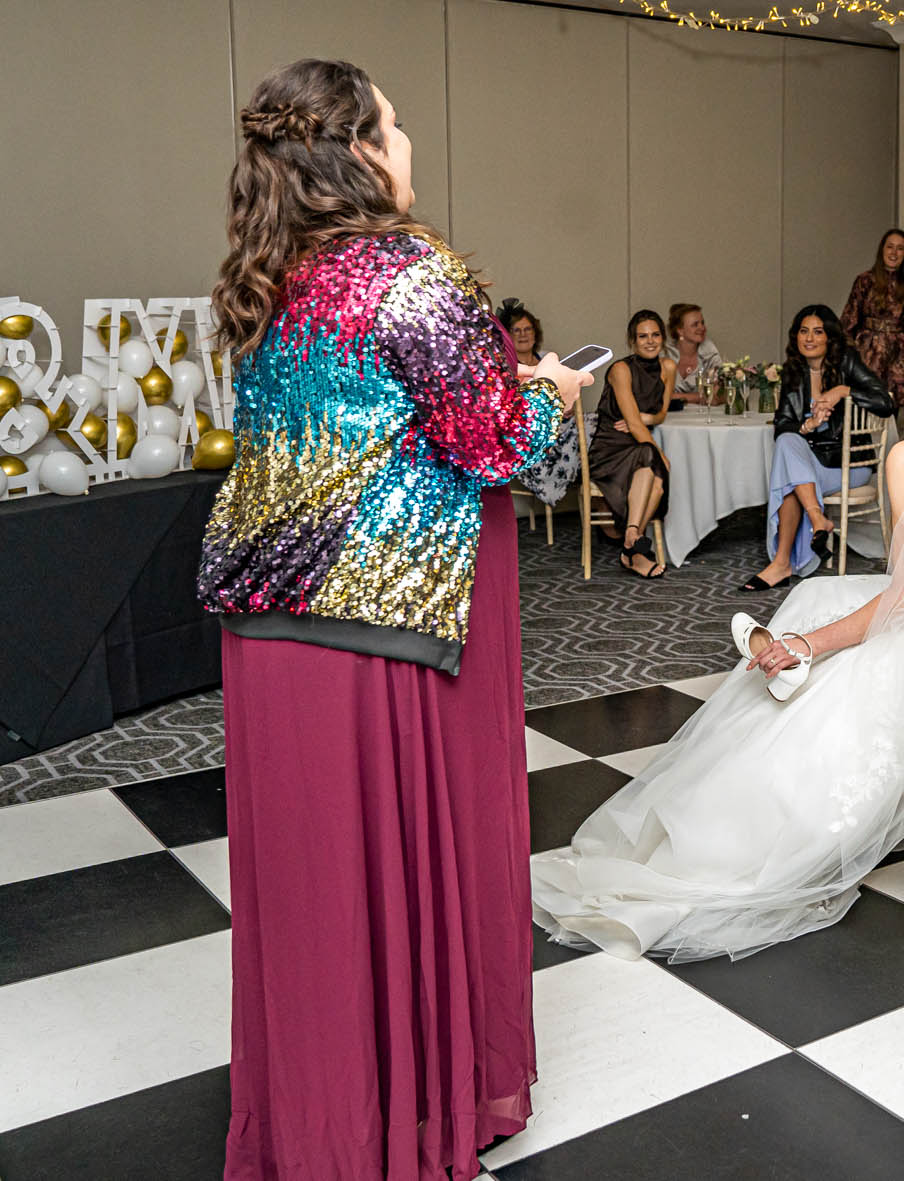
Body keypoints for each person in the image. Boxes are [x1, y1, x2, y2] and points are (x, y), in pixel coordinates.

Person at [197, 59, 587, 1180]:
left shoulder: (269, 273)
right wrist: (551, 390)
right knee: (399, 879)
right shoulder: (413, 273)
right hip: (383, 631)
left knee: (312, 898)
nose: (409, 142)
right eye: (397, 124)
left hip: (267, 632)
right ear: (360, 148)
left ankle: (320, 1125)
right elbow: (493, 444)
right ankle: (406, 1119)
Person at [533, 311, 904, 961]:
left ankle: (784, 674)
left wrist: (812, 644)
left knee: (816, 658)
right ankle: (790, 651)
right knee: (819, 593)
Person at [746, 304, 896, 590]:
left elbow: (885, 402)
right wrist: (808, 426)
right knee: (788, 442)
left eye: (817, 332)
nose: (809, 338)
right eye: (804, 331)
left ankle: (781, 563)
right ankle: (813, 523)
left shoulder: (846, 362)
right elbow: (782, 425)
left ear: (830, 337)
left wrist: (843, 391)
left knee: (791, 477)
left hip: (848, 465)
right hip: (810, 464)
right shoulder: (793, 372)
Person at [590, 309, 674, 578]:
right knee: (655, 464)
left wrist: (645, 417)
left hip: (638, 447)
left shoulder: (668, 367)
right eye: (642, 336)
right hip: (610, 448)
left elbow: (660, 414)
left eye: (655, 335)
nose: (650, 341)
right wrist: (660, 453)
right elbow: (634, 425)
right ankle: (633, 550)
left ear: (663, 338)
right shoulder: (621, 370)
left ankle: (631, 543)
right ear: (632, 341)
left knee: (654, 477)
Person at [499, 297, 583, 508]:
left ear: (535, 333)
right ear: (508, 335)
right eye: (517, 330)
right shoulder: (504, 367)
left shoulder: (548, 359)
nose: (523, 334)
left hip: (561, 428)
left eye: (527, 329)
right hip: (530, 433)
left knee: (593, 423)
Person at [842, 228, 904, 409]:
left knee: (899, 407)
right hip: (868, 352)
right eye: (890, 247)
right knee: (868, 402)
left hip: (901, 354)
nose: (894, 252)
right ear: (882, 249)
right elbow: (848, 321)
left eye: (900, 248)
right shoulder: (865, 280)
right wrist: (848, 358)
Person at [665, 302, 724, 404]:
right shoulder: (665, 353)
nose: (702, 328)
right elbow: (657, 397)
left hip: (704, 413)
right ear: (680, 330)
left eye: (702, 323)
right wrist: (701, 397)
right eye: (695, 324)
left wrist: (678, 397)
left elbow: (720, 395)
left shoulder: (709, 352)